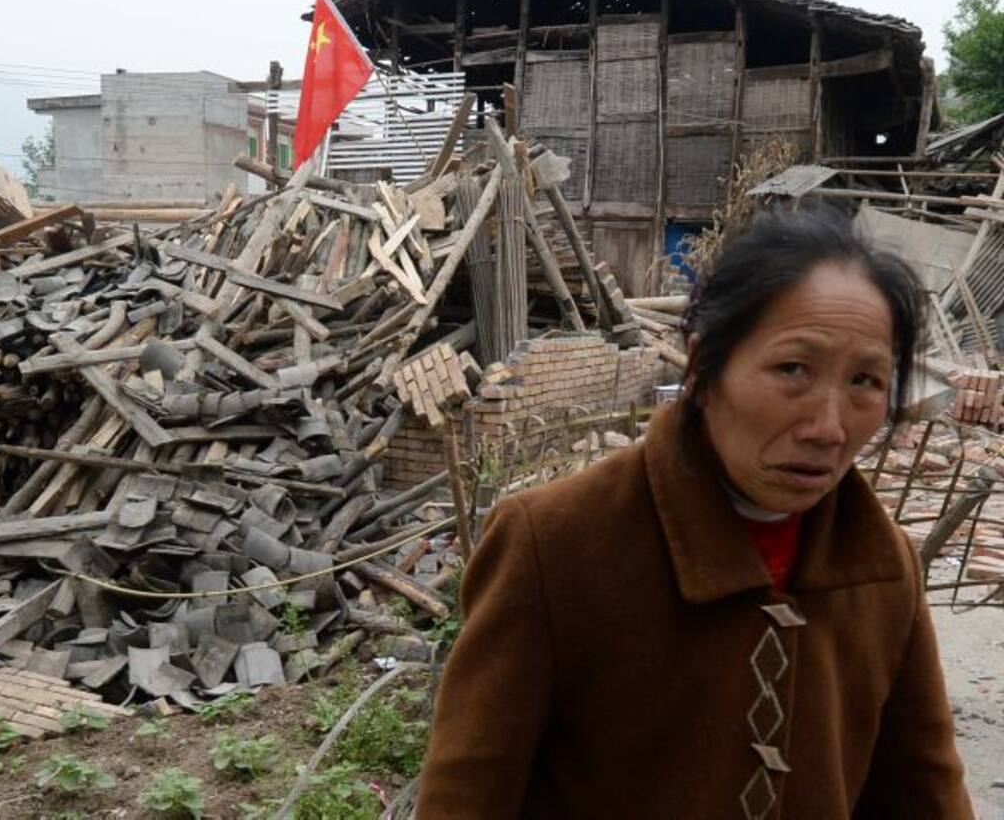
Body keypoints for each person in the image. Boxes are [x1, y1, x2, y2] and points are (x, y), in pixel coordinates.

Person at [416, 205, 973, 818]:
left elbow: (926, 790)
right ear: (705, 369)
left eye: (866, 381)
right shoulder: (554, 544)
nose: (828, 427)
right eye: (793, 369)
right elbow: (465, 798)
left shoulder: (880, 567)